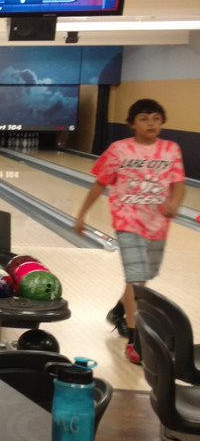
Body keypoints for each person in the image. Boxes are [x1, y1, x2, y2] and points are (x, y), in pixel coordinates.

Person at [74, 98, 185, 365]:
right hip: (128, 222)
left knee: (142, 280)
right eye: (145, 118)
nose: (151, 123)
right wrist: (81, 214)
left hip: (158, 224)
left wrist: (174, 202)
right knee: (135, 280)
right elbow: (100, 184)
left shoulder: (171, 150)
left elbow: (179, 184)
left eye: (156, 118)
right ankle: (136, 341)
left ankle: (119, 311)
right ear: (132, 124)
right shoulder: (118, 150)